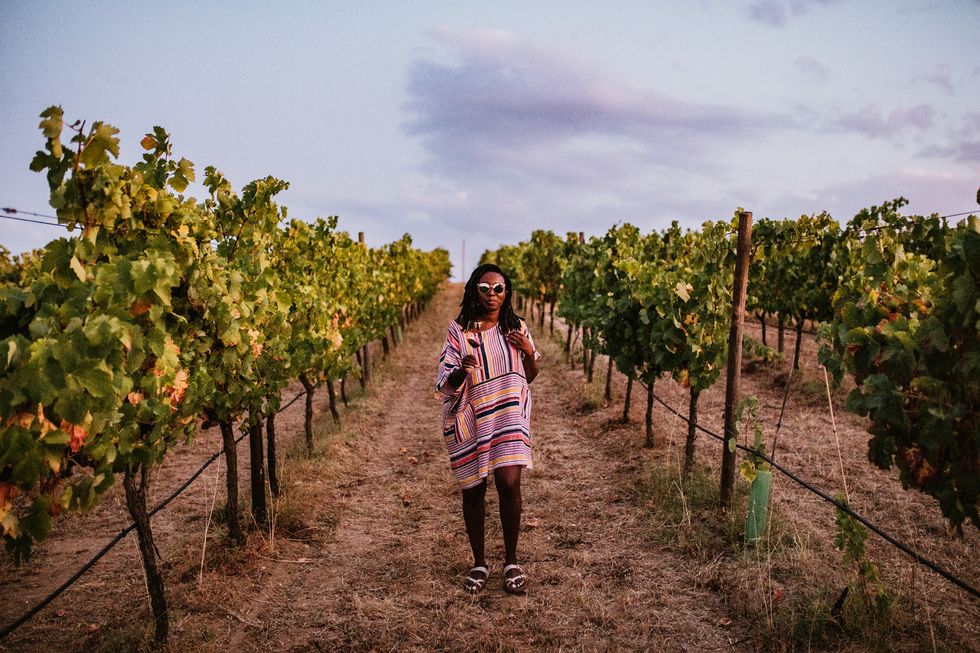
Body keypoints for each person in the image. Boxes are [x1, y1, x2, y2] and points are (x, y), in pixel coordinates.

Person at [434, 263, 540, 595]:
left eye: (498, 289)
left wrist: (527, 350)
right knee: (475, 489)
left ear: (507, 294)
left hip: (509, 413)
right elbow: (444, 380)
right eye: (484, 289)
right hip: (474, 415)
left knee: (509, 482)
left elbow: (531, 374)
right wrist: (461, 371)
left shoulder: (516, 327)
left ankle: (511, 561)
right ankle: (479, 563)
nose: (491, 295)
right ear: (474, 292)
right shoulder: (459, 330)